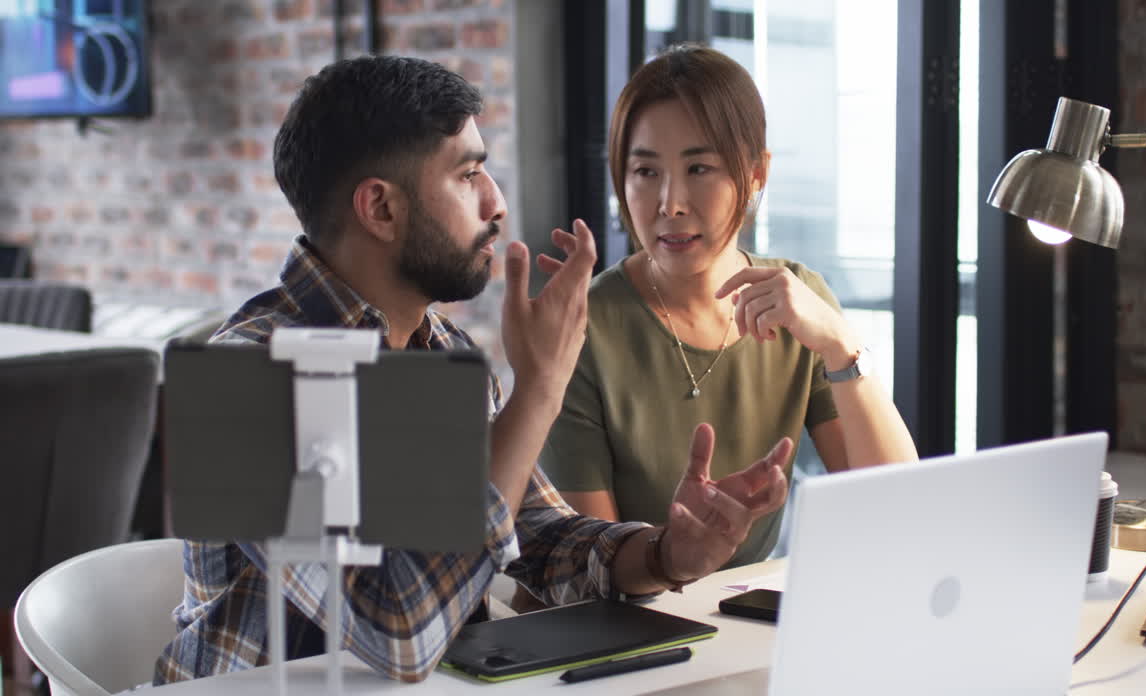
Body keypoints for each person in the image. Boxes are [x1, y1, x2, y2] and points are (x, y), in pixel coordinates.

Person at [153, 55, 795, 685]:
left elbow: (540, 538)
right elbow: (402, 638)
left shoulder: (441, 352)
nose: (497, 204)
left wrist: (665, 553)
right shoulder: (242, 384)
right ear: (380, 208)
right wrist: (539, 389)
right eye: (468, 177)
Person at [540, 44, 919, 572]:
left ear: (757, 172)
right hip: (626, 629)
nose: (670, 202)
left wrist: (838, 343)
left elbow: (897, 510)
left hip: (743, 617)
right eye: (645, 172)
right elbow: (589, 567)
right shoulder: (585, 326)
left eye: (699, 168)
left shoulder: (798, 299)